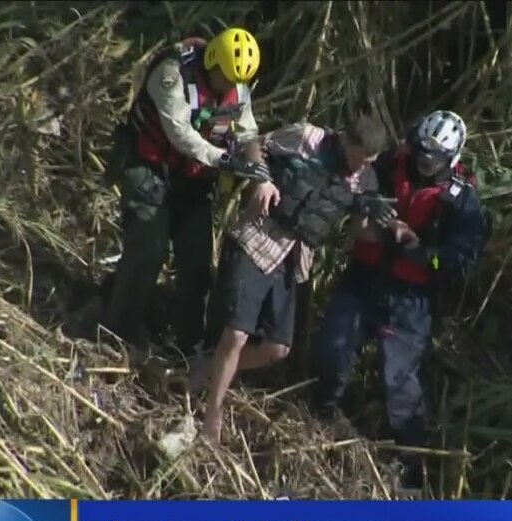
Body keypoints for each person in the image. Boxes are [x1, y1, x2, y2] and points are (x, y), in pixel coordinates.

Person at [158, 114, 397, 452]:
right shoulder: (307, 138)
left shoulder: (366, 178)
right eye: (359, 158)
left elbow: (359, 230)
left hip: (293, 259)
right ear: (346, 139)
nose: (361, 167)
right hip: (259, 237)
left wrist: (391, 228)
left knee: (277, 349)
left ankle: (205, 369)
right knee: (237, 333)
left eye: (368, 162)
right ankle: (213, 414)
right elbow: (254, 144)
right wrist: (262, 179)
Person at [309, 110, 488, 491]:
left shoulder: (462, 201)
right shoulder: (392, 162)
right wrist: (373, 212)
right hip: (364, 276)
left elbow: (461, 261)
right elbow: (357, 186)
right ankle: (320, 417)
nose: (423, 160)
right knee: (332, 348)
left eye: (433, 157)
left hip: (410, 298)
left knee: (400, 382)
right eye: (420, 150)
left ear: (451, 157)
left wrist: (424, 255)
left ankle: (411, 470)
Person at [102, 28, 277, 364]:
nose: (229, 85)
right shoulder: (172, 74)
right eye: (225, 77)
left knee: (197, 263)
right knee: (147, 251)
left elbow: (248, 133)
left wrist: (259, 171)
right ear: (212, 61)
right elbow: (179, 132)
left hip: (194, 183)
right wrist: (223, 159)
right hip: (151, 169)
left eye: (236, 81)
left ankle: (187, 343)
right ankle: (117, 331)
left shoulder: (237, 87)